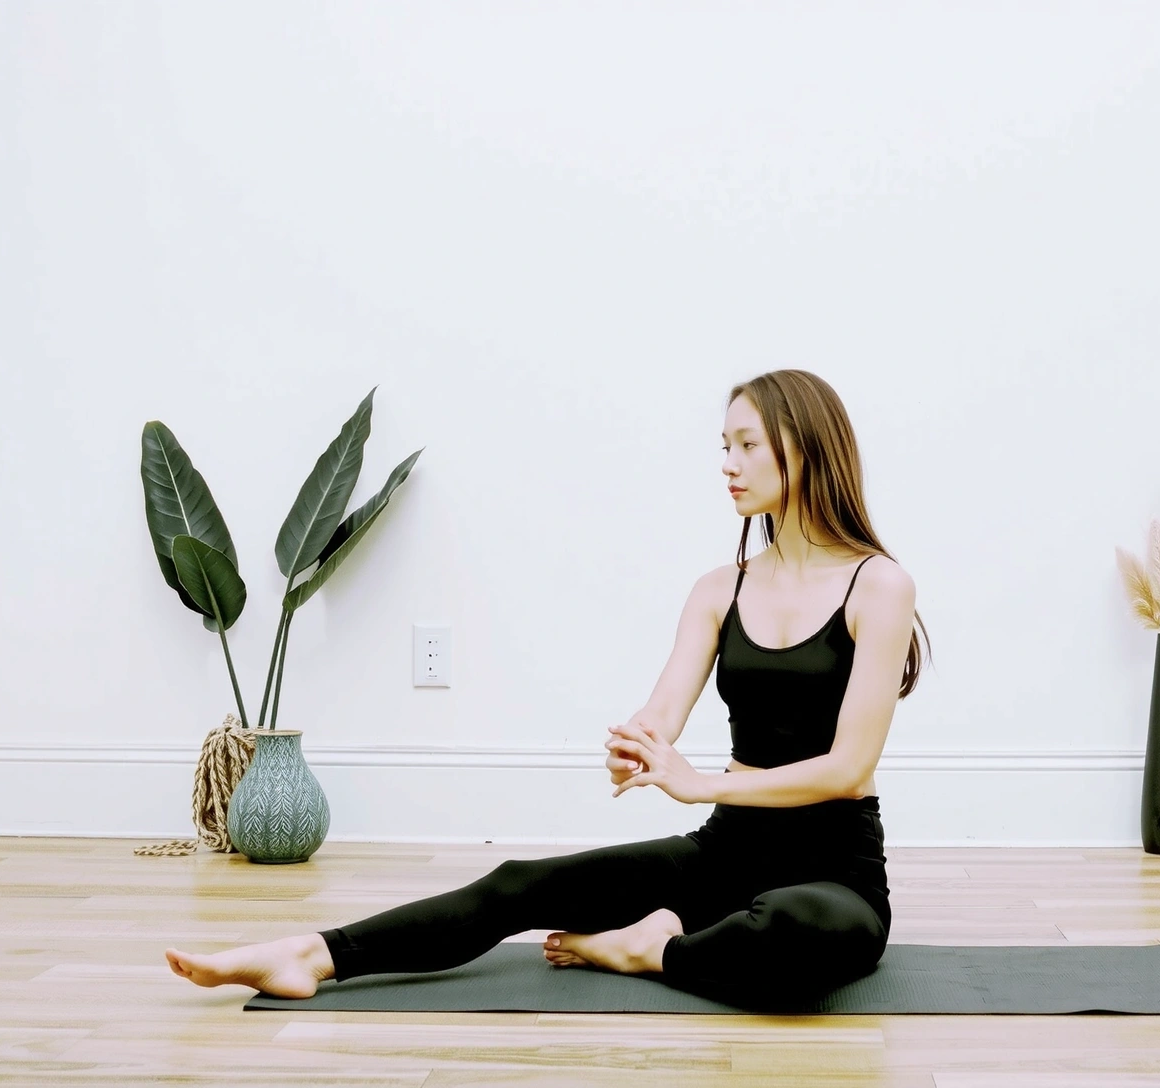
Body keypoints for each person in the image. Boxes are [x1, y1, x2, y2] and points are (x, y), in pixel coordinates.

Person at [165, 369, 932, 1009]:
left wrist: (701, 785)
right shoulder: (716, 590)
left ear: (802, 449)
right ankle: (311, 955)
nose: (726, 464)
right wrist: (640, 747)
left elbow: (848, 766)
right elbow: (661, 715)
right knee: (518, 883)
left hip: (834, 871)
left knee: (795, 928)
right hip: (723, 855)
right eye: (722, 447)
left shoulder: (879, 586)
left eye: (745, 446)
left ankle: (649, 952)